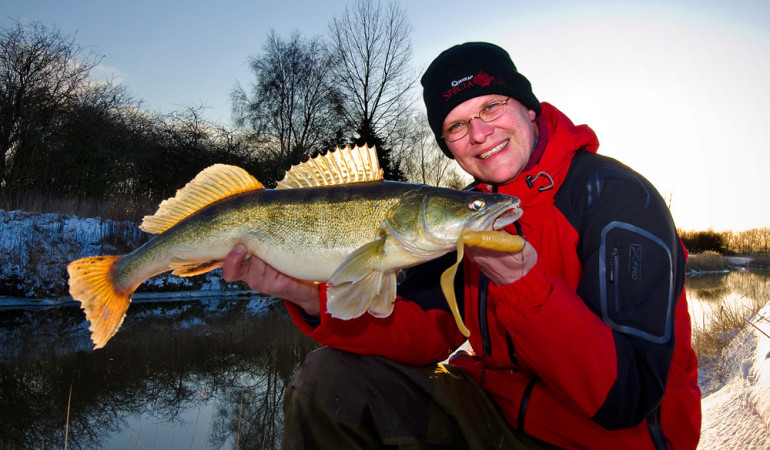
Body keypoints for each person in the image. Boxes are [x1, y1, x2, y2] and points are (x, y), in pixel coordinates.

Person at [222, 42, 701, 449]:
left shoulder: (618, 200)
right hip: (499, 418)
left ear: (528, 108)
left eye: (491, 107)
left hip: (612, 440)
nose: (479, 133)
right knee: (331, 383)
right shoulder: (459, 215)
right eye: (456, 126)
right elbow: (424, 330)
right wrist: (309, 295)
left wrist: (523, 288)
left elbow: (629, 396)